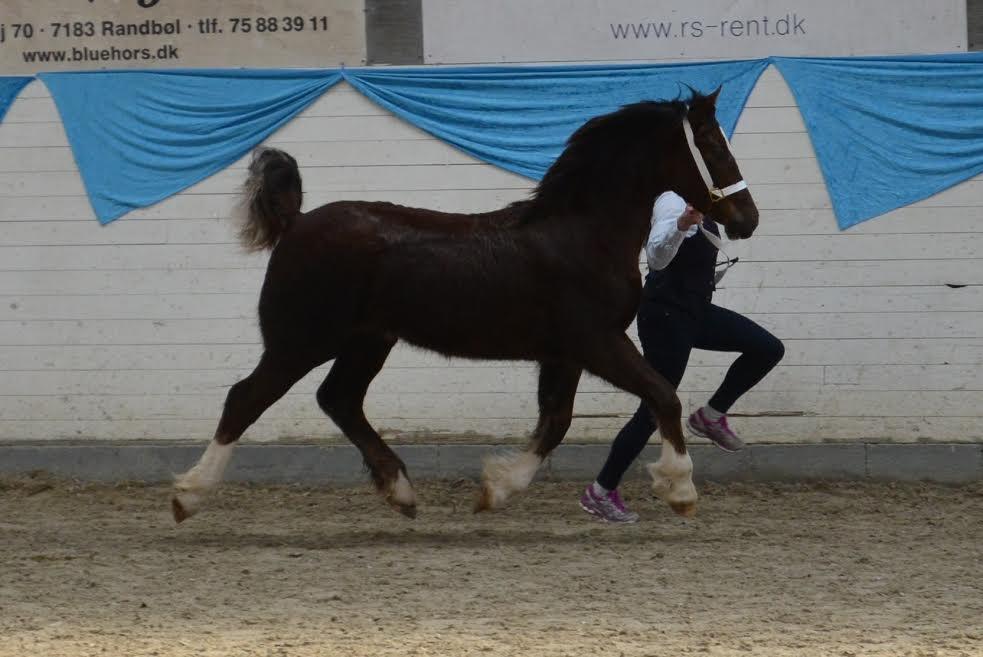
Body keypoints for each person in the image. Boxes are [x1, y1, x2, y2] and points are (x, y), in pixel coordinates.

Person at [579, 191, 785, 523]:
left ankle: (710, 416)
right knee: (655, 407)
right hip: (666, 315)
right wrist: (680, 224)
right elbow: (656, 257)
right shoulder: (671, 202)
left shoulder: (706, 204)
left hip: (695, 311)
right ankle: (600, 492)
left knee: (767, 348)